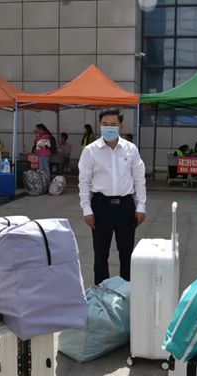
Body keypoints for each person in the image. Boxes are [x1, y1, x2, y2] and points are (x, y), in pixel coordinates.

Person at [78, 109, 146, 285]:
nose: (108, 128)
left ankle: (127, 290)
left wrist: (141, 206)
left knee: (127, 252)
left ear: (120, 126)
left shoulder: (131, 149)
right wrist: (86, 209)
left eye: (113, 124)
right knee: (101, 253)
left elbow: (139, 179)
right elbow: (84, 181)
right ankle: (101, 292)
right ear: (100, 125)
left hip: (125, 206)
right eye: (105, 124)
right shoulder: (90, 151)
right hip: (101, 206)